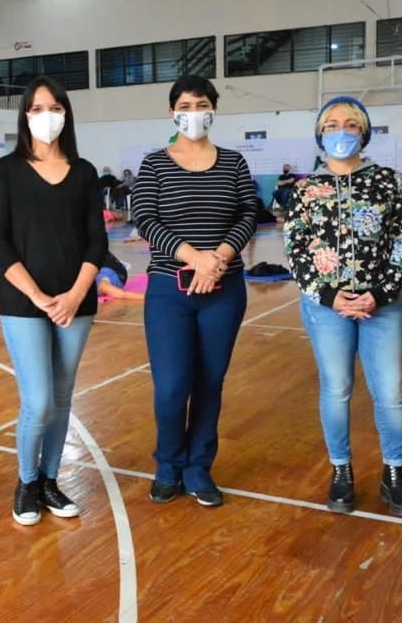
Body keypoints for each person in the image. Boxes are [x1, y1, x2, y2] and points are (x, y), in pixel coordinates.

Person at [283, 95, 402, 519]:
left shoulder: (388, 182)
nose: (341, 131)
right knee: (337, 388)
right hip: (326, 308)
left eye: (350, 124)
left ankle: (394, 473)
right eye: (331, 125)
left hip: (382, 305)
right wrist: (329, 296)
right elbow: (296, 249)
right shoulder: (305, 190)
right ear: (320, 135)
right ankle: (341, 470)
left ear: (363, 132)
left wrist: (379, 293)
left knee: (390, 393)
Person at [0, 75, 106, 527]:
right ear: (25, 115)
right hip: (23, 303)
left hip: (76, 304)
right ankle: (27, 480)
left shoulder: (85, 172)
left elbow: (97, 242)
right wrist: (38, 296)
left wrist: (75, 295)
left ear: (66, 114)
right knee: (36, 400)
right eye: (37, 108)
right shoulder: (6, 170)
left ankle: (52, 479)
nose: (46, 115)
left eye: (54, 107)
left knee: (61, 397)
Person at [132, 74, 256, 508]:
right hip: (170, 290)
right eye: (184, 106)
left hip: (224, 291)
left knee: (209, 382)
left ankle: (198, 468)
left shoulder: (233, 162)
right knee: (170, 386)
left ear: (213, 109)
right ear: (172, 112)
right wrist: (194, 258)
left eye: (200, 104)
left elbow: (248, 213)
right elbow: (146, 219)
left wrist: (218, 257)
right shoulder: (155, 163)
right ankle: (168, 465)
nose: (192, 113)